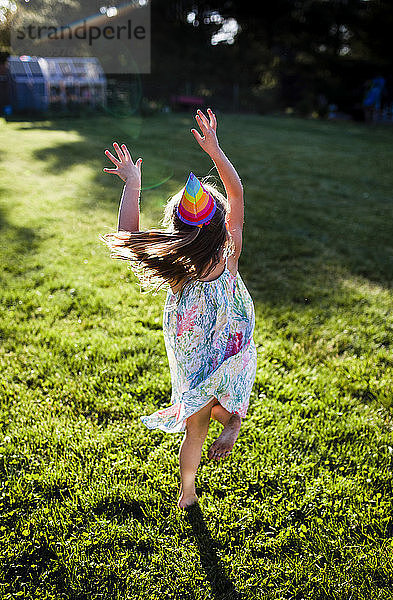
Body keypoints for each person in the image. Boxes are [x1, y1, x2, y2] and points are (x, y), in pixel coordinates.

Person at [100, 108, 257, 509]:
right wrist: (216, 151)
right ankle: (233, 419)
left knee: (195, 425)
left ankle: (188, 491)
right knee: (224, 399)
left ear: (177, 230)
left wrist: (132, 185)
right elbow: (236, 193)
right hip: (229, 344)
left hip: (192, 356)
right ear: (222, 226)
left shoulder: (178, 268)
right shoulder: (230, 252)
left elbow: (128, 237)